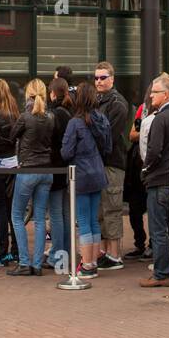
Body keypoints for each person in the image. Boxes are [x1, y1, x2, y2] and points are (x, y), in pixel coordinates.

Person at [140, 72, 169, 288]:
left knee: (159, 230)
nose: (151, 96)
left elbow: (154, 151)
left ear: (167, 95)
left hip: (159, 180)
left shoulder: (161, 118)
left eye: (155, 92)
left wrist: (145, 169)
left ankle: (161, 273)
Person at [60, 79, 112, 278]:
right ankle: (93, 262)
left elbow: (66, 152)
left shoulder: (75, 122)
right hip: (98, 171)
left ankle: (87, 264)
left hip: (80, 174)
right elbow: (108, 147)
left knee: (83, 220)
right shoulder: (101, 118)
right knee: (93, 219)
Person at [9, 78, 54, 275]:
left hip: (28, 169)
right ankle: (36, 263)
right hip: (46, 170)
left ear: (28, 94)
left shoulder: (25, 116)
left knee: (17, 216)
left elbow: (12, 136)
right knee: (39, 218)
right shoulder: (51, 117)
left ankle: (24, 262)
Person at [93, 61, 130, 270]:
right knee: (101, 210)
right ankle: (106, 251)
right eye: (96, 77)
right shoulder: (98, 101)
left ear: (112, 79)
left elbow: (110, 137)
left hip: (112, 163)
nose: (99, 81)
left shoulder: (117, 103)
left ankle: (115, 255)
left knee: (112, 208)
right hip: (100, 163)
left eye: (103, 77)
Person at [0, 77, 20, 265]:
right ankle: (15, 250)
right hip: (12, 164)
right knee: (13, 211)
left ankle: (2, 251)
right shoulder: (15, 113)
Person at [46, 77, 73, 268]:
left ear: (52, 93)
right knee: (66, 213)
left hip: (55, 167)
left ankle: (58, 256)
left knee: (56, 213)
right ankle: (66, 254)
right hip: (67, 167)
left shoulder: (54, 115)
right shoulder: (70, 113)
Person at [123, 94, 148, 261]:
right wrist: (145, 132)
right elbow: (132, 135)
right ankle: (139, 243)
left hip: (152, 165)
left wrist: (144, 131)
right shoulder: (142, 109)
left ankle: (154, 245)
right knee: (134, 208)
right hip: (136, 163)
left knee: (154, 208)